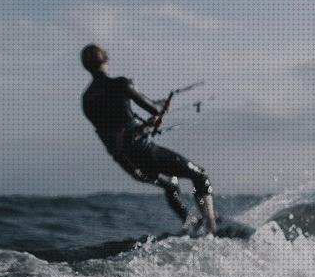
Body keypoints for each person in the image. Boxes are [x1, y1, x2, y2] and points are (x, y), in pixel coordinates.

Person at [80, 44, 218, 234]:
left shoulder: (86, 100)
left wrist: (145, 123)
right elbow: (155, 110)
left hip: (127, 163)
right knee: (200, 175)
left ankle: (192, 224)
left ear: (86, 66)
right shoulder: (122, 84)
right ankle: (213, 228)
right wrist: (160, 109)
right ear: (105, 61)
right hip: (144, 150)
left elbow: (114, 128)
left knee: (171, 184)